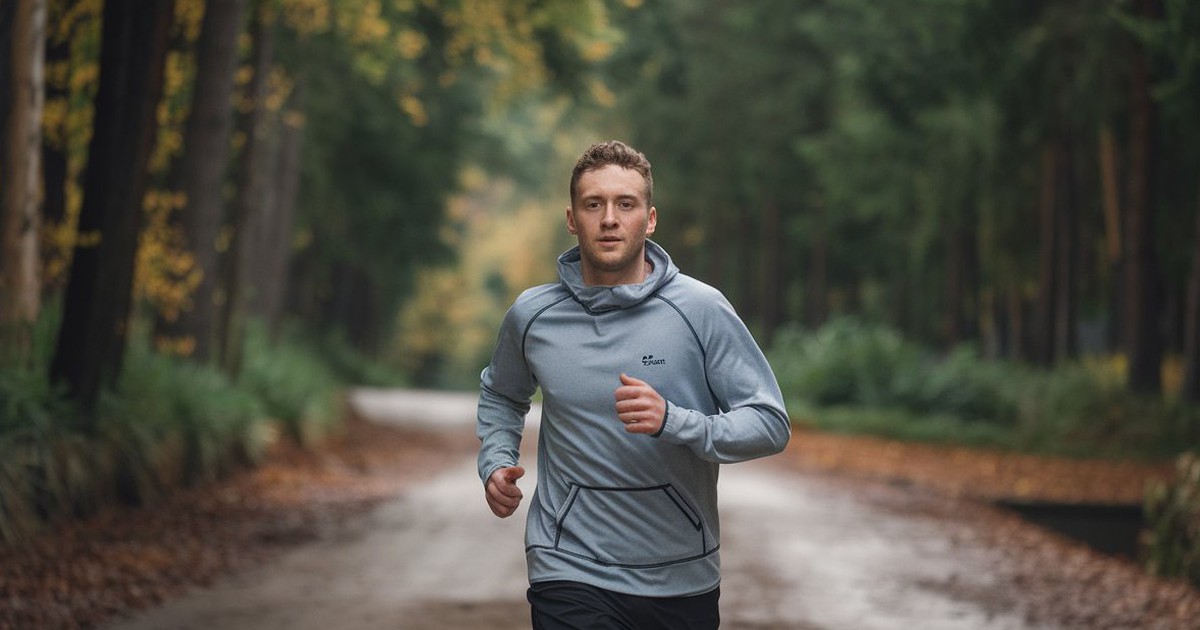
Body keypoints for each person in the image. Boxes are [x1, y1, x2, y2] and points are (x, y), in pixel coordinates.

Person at [476, 140, 791, 629]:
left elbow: (769, 423)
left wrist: (675, 421)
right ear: (571, 218)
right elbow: (502, 392)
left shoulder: (700, 310)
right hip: (567, 565)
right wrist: (496, 460)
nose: (608, 218)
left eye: (625, 204)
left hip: (681, 576)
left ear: (650, 219)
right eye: (593, 204)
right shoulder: (533, 315)